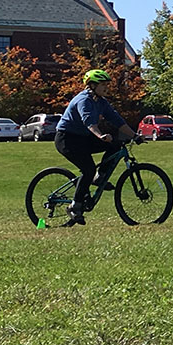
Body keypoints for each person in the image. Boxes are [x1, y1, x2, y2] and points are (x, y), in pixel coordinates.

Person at [54, 69, 139, 227]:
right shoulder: (83, 100)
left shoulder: (101, 101)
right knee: (88, 169)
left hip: (83, 138)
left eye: (107, 84)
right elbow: (89, 122)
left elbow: (117, 120)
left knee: (115, 145)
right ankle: (74, 206)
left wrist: (134, 135)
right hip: (67, 139)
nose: (107, 87)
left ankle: (99, 177)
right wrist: (100, 136)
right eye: (103, 85)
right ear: (92, 85)